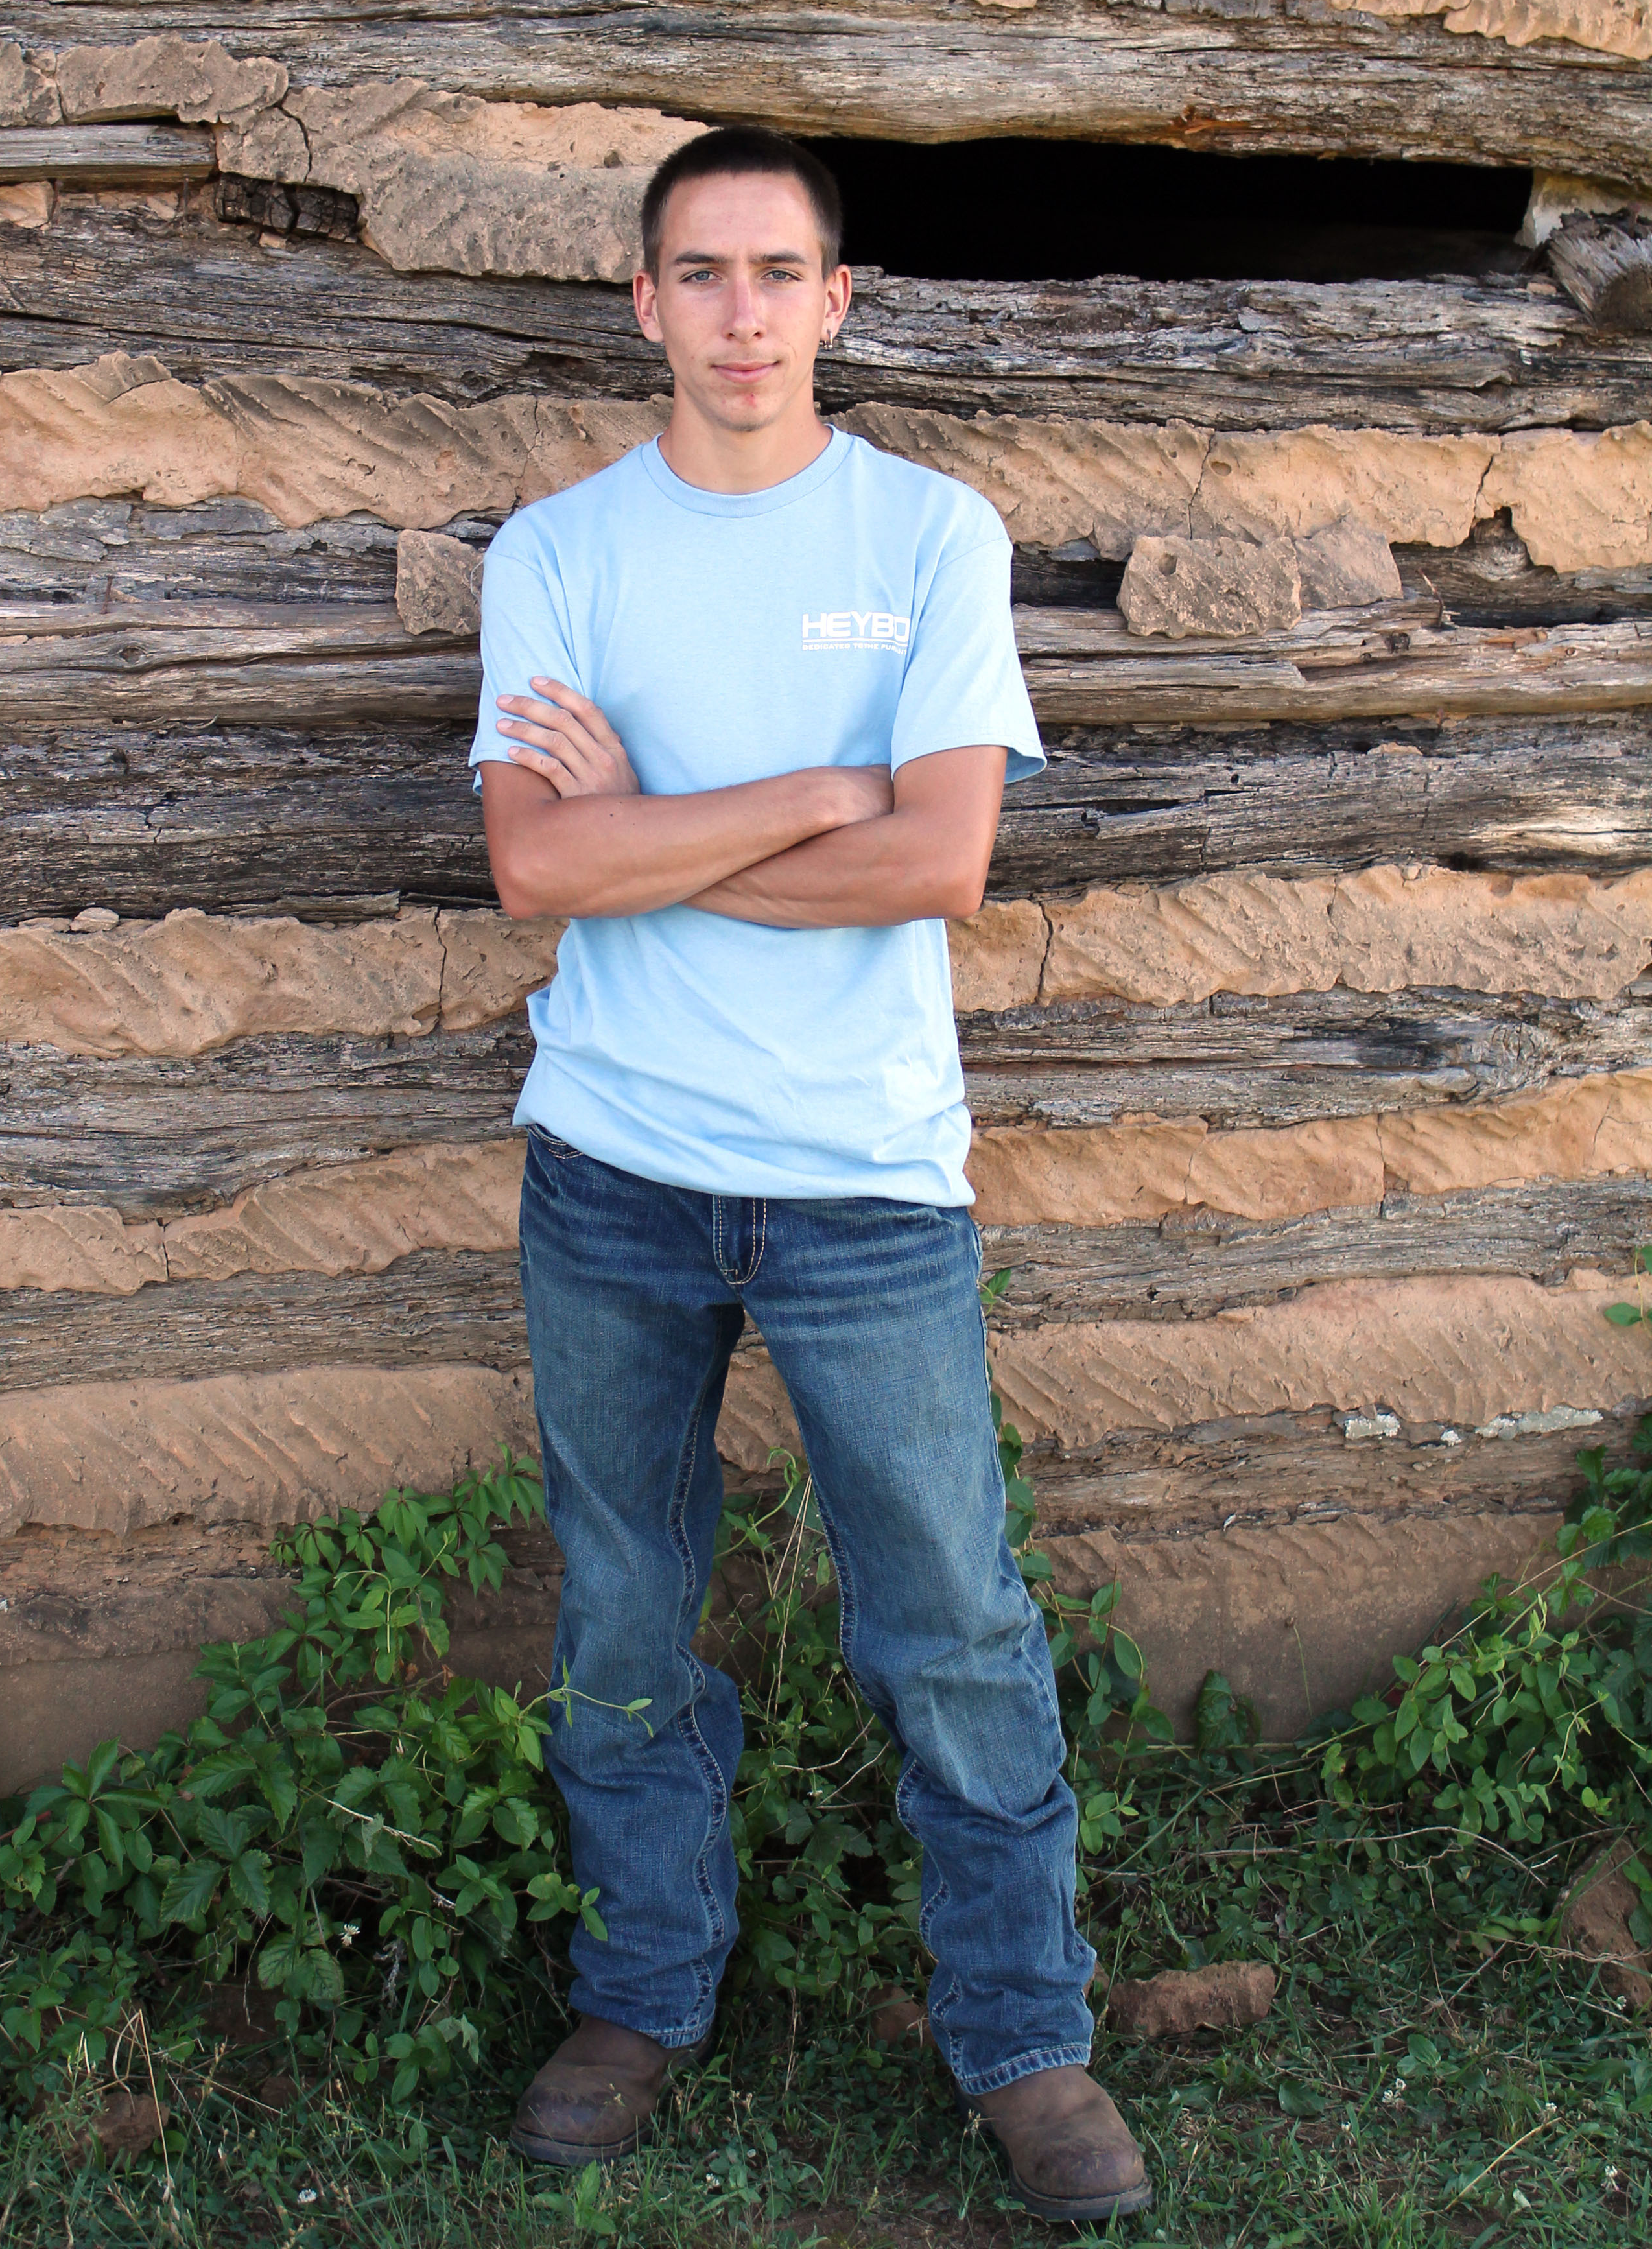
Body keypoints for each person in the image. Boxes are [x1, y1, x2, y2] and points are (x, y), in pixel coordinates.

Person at [469, 125, 1150, 2224]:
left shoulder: (931, 532)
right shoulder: (559, 553)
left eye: (780, 273)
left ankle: (1025, 2038)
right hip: (617, 1169)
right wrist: (813, 790)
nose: (742, 313)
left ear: (837, 300)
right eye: (703, 272)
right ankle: (640, 1995)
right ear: (645, 301)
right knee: (624, 1607)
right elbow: (533, 867)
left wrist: (662, 832)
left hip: (866, 1180)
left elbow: (941, 862)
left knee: (949, 1619)